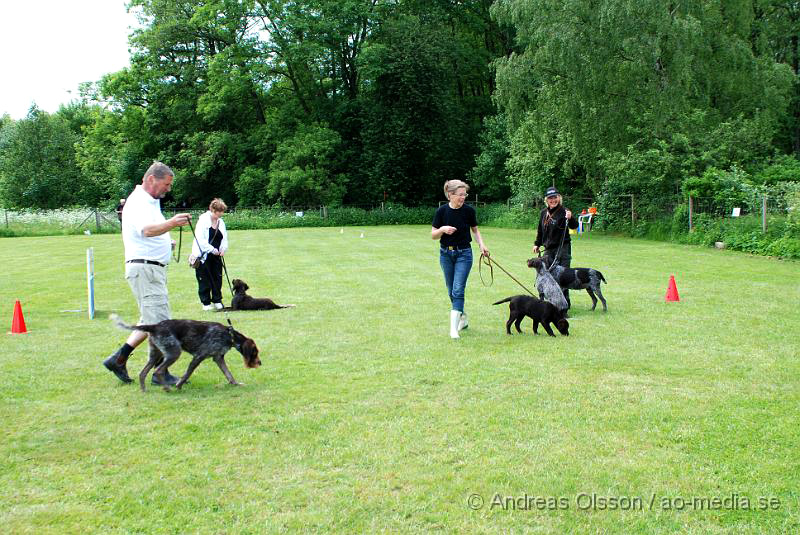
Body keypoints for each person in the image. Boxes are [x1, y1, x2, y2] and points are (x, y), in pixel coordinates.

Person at [102, 162, 191, 385]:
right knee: (161, 324)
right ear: (151, 179)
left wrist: (165, 240)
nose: (168, 189)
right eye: (166, 184)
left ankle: (119, 359)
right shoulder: (139, 201)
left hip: (150, 268)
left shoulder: (150, 202)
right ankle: (160, 373)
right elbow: (146, 230)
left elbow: (150, 231)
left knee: (150, 320)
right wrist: (172, 223)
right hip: (145, 269)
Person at [431, 180, 490, 339]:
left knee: (458, 289)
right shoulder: (442, 211)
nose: (463, 197)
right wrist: (443, 229)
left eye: (465, 194)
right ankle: (462, 318)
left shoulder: (469, 211)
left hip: (464, 254)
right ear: (450, 195)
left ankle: (453, 330)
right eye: (460, 195)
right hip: (446, 255)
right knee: (451, 290)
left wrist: (482, 245)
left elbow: (475, 231)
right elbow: (433, 235)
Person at [533, 186, 578, 307]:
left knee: (563, 277)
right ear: (546, 200)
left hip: (562, 249)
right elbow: (540, 230)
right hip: (548, 250)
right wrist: (537, 244)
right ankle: (549, 302)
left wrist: (571, 217)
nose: (553, 200)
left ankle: (564, 305)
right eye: (550, 198)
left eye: (555, 197)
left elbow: (574, 226)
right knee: (546, 275)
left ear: (559, 198)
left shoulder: (564, 211)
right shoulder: (543, 213)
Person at [191, 198, 229, 310]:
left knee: (217, 278)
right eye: (218, 213)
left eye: (222, 213)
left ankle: (217, 300)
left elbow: (224, 238)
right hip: (203, 255)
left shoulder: (221, 222)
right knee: (204, 278)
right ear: (212, 209)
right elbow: (200, 240)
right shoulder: (202, 221)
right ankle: (206, 303)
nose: (220, 216)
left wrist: (223, 248)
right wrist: (212, 249)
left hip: (217, 256)